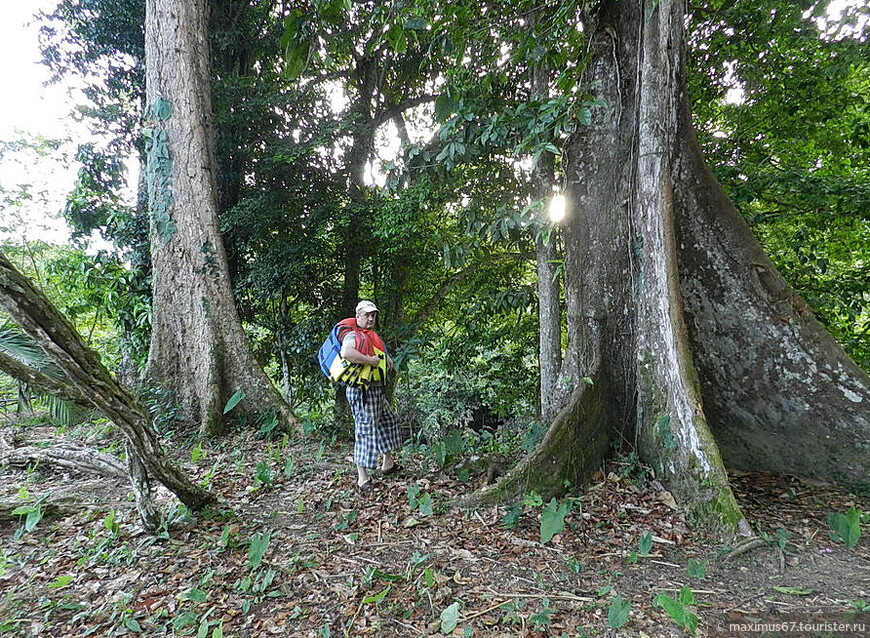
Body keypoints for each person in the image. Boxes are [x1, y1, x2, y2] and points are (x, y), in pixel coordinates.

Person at [339, 300, 402, 492]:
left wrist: (386, 359)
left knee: (389, 421)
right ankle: (362, 478)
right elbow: (347, 353)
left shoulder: (370, 335)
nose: (371, 318)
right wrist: (370, 361)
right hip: (362, 392)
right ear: (357, 316)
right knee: (366, 430)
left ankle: (388, 463)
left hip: (376, 390)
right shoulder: (353, 335)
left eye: (373, 315)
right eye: (367, 315)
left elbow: (379, 353)